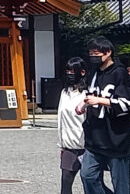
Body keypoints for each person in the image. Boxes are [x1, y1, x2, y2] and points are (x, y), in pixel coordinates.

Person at [76, 37, 130, 194]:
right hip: (94, 136)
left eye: (96, 53)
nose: (93, 57)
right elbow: (91, 95)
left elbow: (127, 104)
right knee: (87, 175)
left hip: (116, 138)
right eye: (91, 54)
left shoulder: (120, 73)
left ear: (108, 53)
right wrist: (85, 104)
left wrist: (100, 100)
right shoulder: (94, 73)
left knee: (120, 185)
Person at [58, 57, 89, 194]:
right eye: (68, 71)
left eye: (72, 71)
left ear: (82, 72)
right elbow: (60, 119)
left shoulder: (87, 94)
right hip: (69, 146)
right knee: (65, 186)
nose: (70, 74)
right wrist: (62, 145)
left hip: (87, 147)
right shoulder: (64, 93)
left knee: (92, 184)